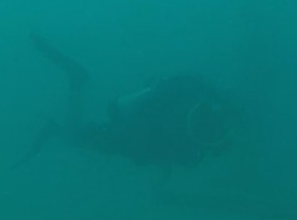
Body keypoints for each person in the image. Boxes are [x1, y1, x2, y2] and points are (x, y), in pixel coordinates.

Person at [16, 32, 237, 173]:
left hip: (133, 125)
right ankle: (77, 82)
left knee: (76, 136)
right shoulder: (203, 131)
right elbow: (165, 147)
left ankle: (69, 100)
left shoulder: (204, 112)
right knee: (73, 138)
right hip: (131, 131)